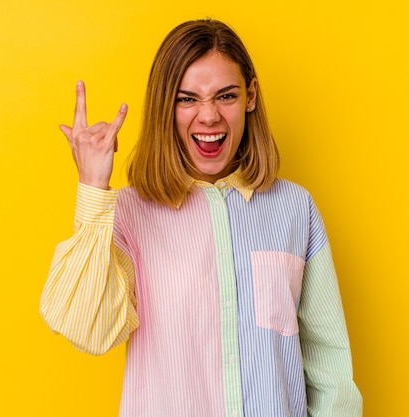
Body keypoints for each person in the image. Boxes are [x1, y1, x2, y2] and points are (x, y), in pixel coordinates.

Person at [40, 19, 362, 417]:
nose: (208, 117)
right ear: (165, 107)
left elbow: (330, 369)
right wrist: (92, 186)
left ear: (251, 96)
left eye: (225, 96)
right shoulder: (126, 213)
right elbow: (84, 327)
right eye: (187, 99)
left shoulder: (295, 209)